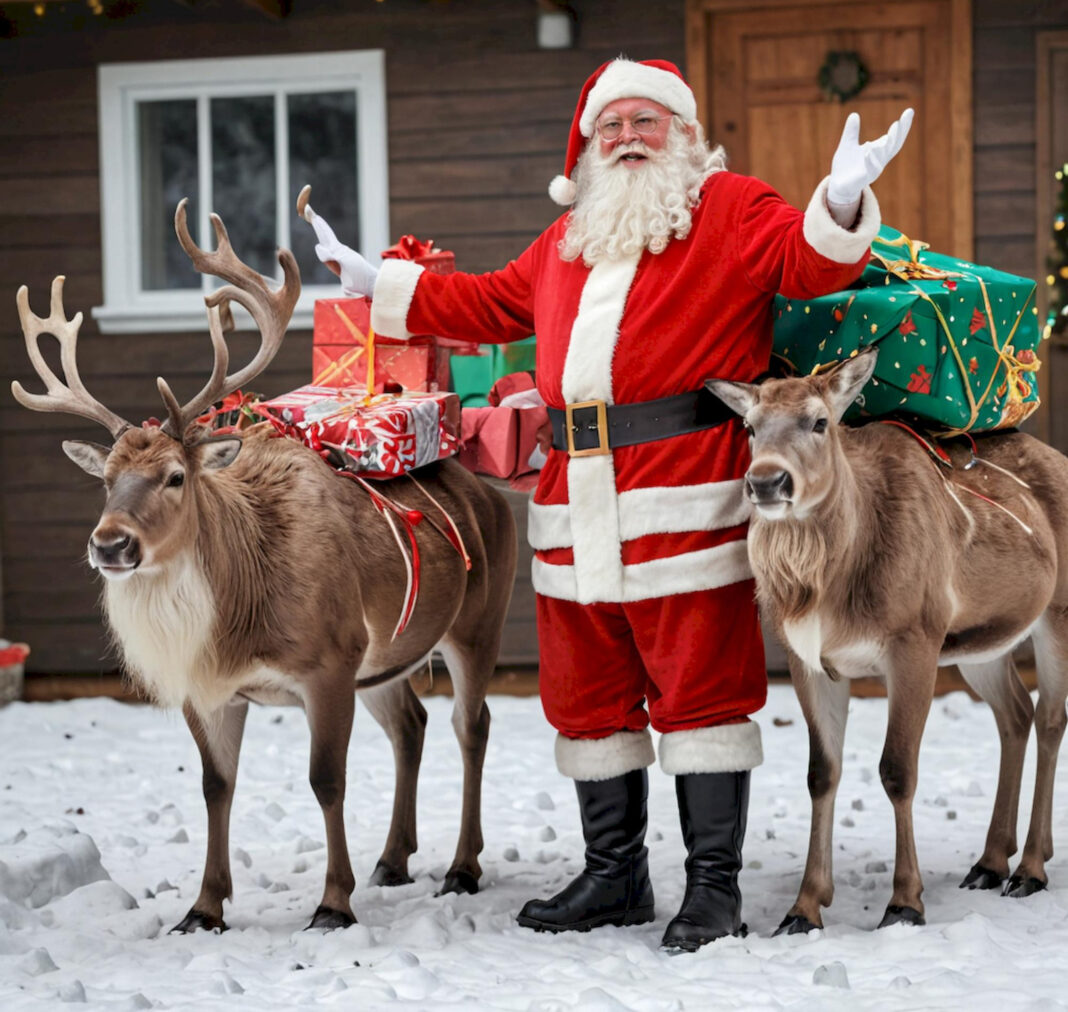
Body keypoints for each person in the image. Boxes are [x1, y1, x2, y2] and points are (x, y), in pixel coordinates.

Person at [310, 57, 912, 952]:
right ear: (587, 146)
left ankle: (713, 886)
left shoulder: (732, 209)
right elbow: (484, 302)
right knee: (587, 693)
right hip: (570, 498)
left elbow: (809, 264)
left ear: (684, 135)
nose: (628, 137)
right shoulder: (566, 241)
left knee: (701, 692)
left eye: (647, 121)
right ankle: (615, 874)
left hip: (687, 490)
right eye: (611, 126)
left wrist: (842, 202)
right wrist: (378, 287)